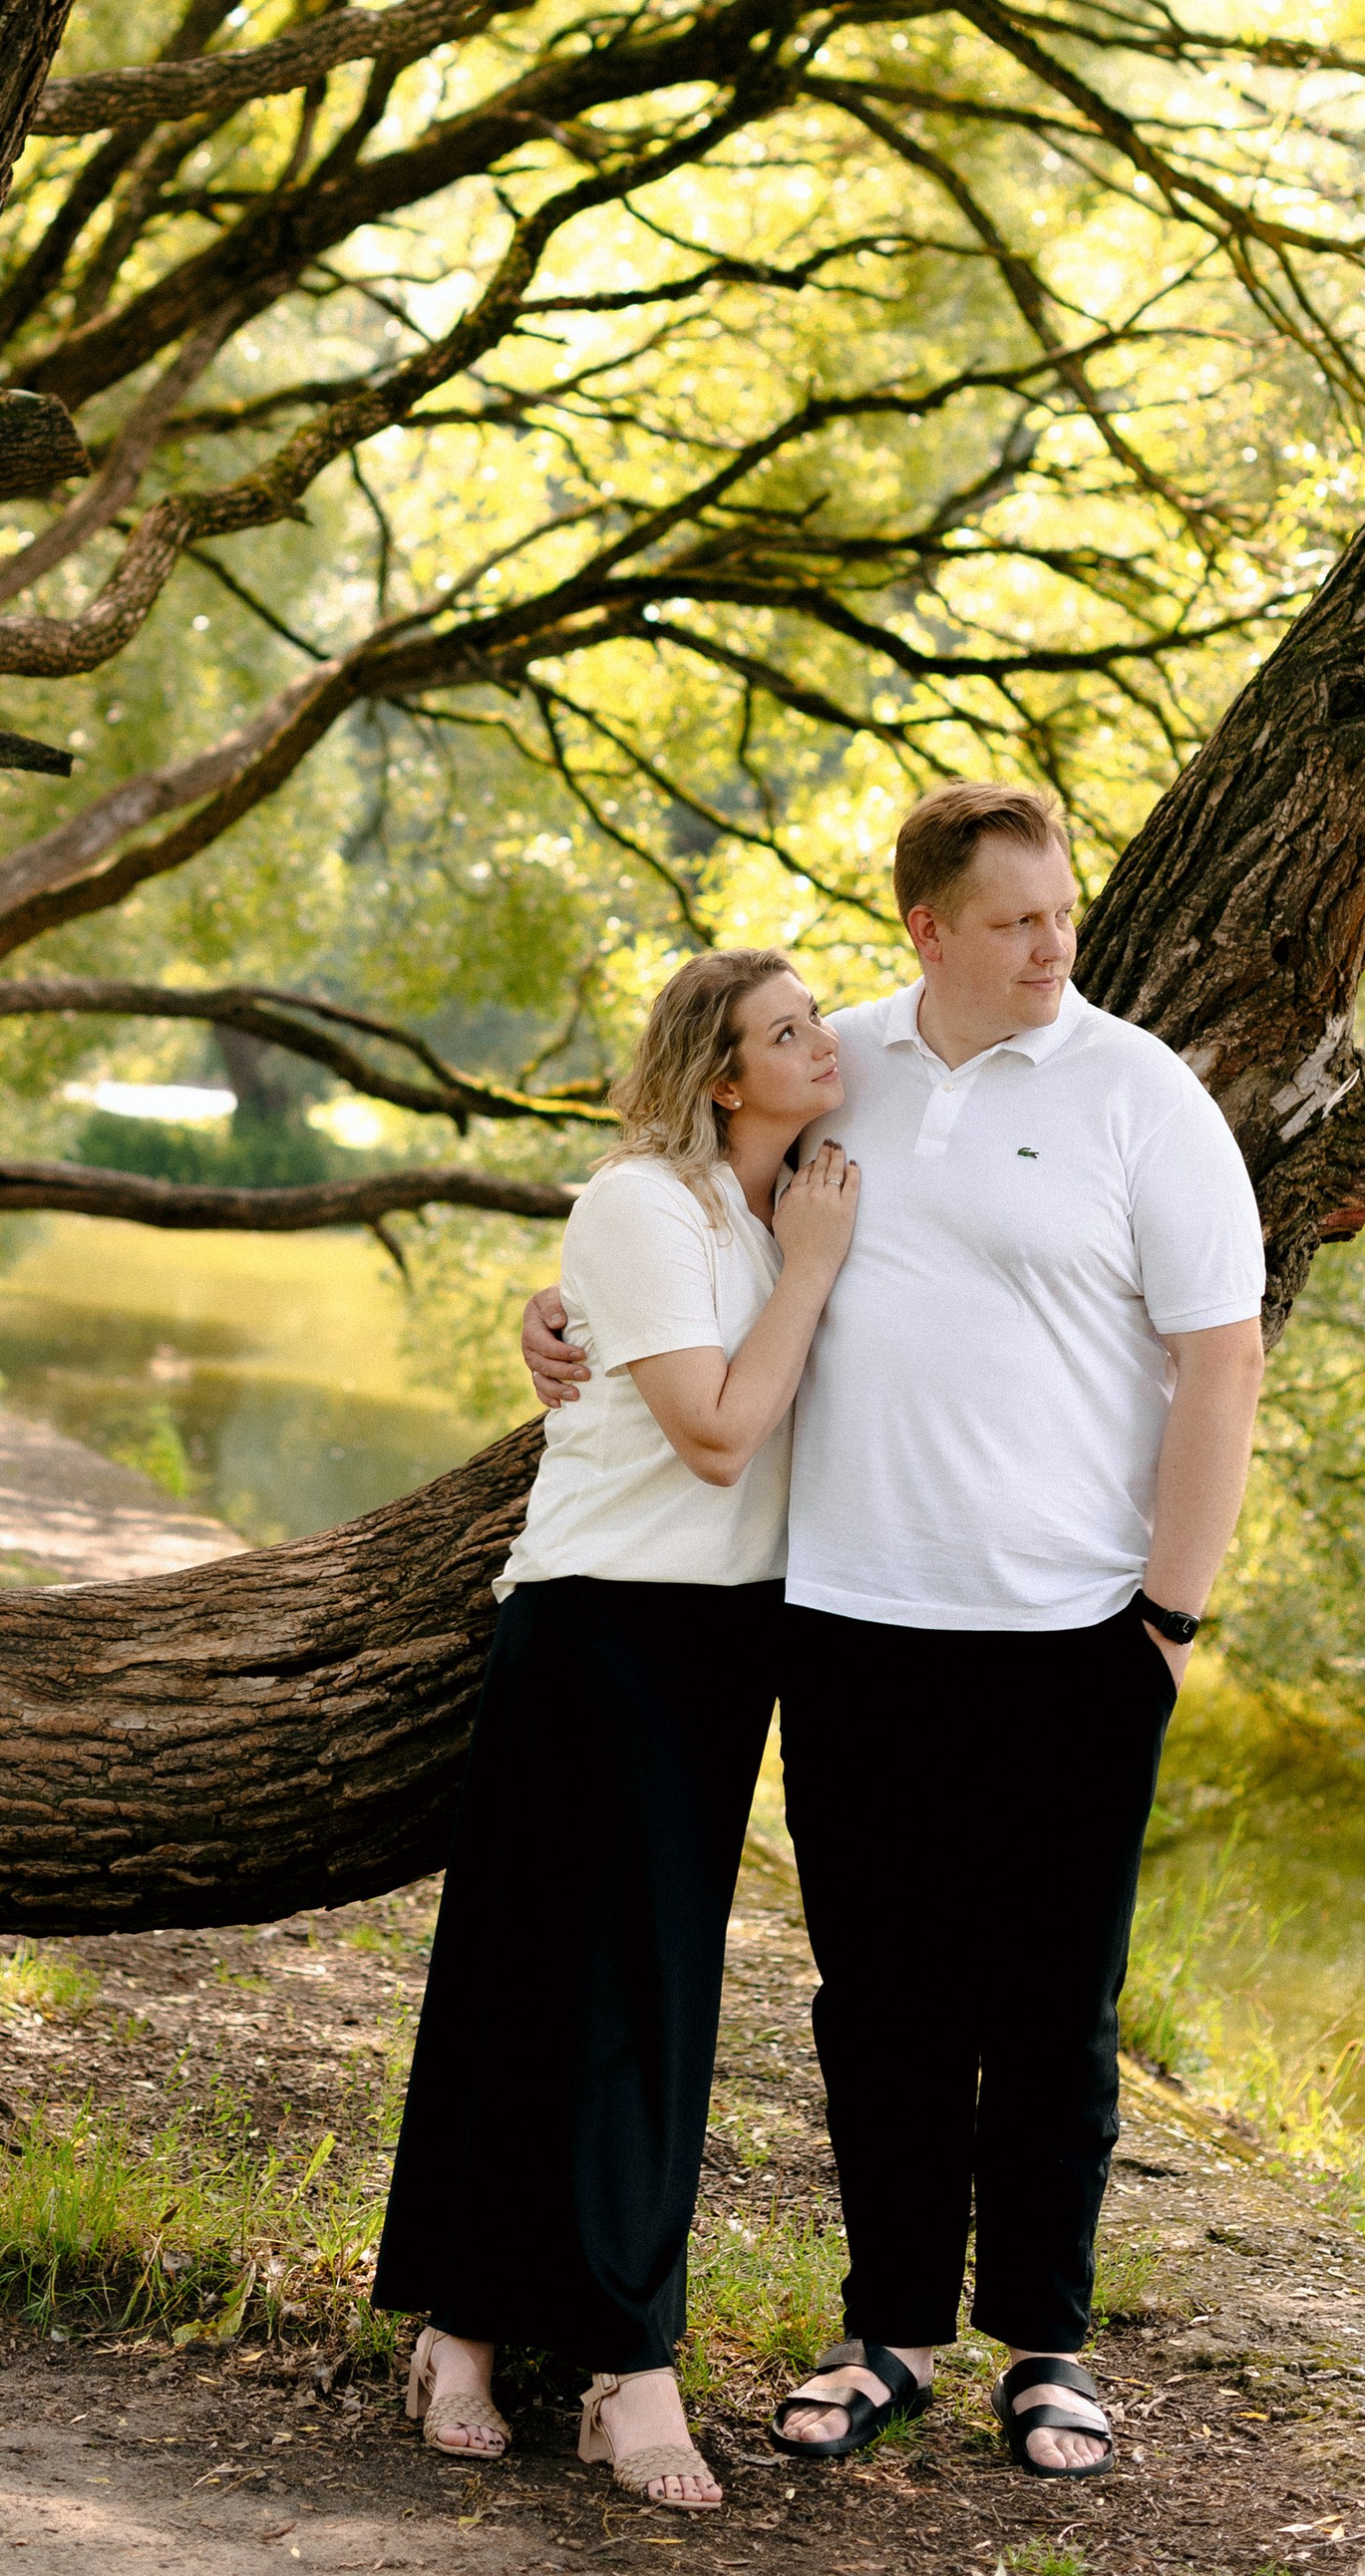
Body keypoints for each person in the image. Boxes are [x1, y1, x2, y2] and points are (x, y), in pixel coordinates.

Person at [522, 780, 1264, 2479]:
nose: (1053, 947)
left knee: (1057, 2005)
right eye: (1017, 922)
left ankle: (1050, 2346)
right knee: (883, 2003)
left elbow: (1223, 1357)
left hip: (1077, 1628)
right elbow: (672, 1216)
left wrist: (1169, 1616)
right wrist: (553, 1307)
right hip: (851, 1624)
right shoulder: (832, 1064)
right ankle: (893, 2334)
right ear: (927, 928)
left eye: (1062, 914)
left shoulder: (1138, 1094)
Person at [373, 949, 860, 2506]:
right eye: (789, 1031)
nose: (822, 1041)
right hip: (600, 1623)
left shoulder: (797, 1184)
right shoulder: (644, 1201)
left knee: (639, 2000)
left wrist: (801, 1254)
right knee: (549, 1983)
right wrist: (809, 1274)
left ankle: (524, 2332)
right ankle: (581, 2362)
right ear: (724, 1075)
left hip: (728, 1641)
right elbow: (716, 1434)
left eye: (818, 1019)